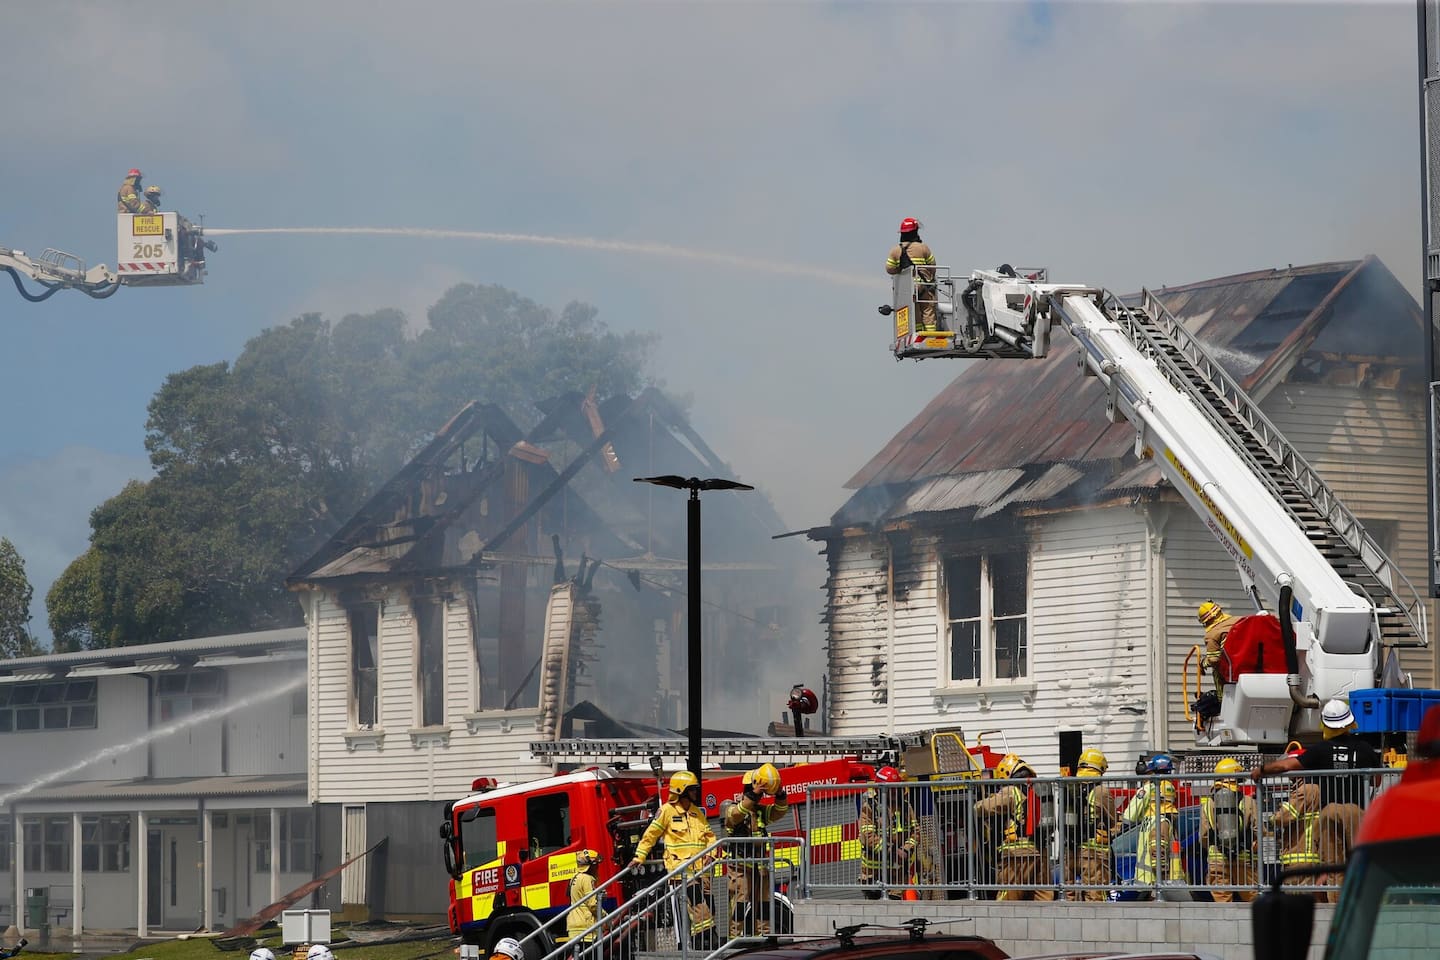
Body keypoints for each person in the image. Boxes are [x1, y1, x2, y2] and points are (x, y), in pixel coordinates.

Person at [1251, 698, 1381, 901]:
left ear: (1326, 725)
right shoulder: (1365, 749)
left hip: (1329, 813)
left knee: (1334, 867)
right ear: (1349, 723)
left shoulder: (1319, 750)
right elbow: (1377, 780)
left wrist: (1262, 770)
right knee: (1360, 864)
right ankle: (1361, 906)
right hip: (1358, 814)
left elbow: (1287, 766)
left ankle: (1335, 914)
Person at [630, 770, 718, 947]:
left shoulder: (696, 812)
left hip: (703, 870)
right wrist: (639, 857)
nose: (695, 793)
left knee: (709, 906)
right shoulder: (666, 812)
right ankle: (707, 943)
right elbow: (650, 836)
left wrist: (711, 854)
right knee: (699, 906)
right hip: (682, 870)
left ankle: (702, 942)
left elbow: (710, 836)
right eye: (692, 789)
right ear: (682, 790)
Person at [974, 753, 1055, 901]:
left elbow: (985, 807)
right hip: (1041, 853)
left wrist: (975, 803)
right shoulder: (1037, 789)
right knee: (1043, 898)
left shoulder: (1011, 790)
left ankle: (1004, 925)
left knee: (1008, 899)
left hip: (1017, 857)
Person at [723, 762, 789, 936]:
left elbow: (779, 811)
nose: (760, 796)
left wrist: (781, 794)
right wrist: (755, 793)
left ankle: (763, 936)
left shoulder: (759, 812)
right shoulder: (731, 809)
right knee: (740, 903)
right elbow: (736, 815)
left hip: (759, 867)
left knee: (764, 904)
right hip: (740, 867)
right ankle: (734, 939)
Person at [1199, 757, 1258, 902]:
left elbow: (1204, 836)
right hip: (1243, 860)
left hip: (1217, 861)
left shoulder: (1207, 804)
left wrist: (1214, 848)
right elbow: (1257, 830)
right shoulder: (1249, 801)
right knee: (1252, 901)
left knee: (1222, 903)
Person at [857, 765, 917, 899]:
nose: (895, 792)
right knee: (875, 910)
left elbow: (915, 832)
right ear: (880, 789)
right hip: (874, 873)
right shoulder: (870, 808)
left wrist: (906, 850)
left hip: (898, 872)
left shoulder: (906, 807)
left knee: (895, 906)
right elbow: (868, 837)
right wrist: (892, 851)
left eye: (896, 787)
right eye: (891, 788)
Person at [1065, 748, 1117, 902]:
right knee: (1095, 896)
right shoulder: (1101, 791)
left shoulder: (1069, 786)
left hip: (1071, 850)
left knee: (1070, 896)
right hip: (1094, 852)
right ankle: (1095, 926)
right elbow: (1112, 820)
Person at [1133, 780, 1187, 896]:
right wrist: (1164, 878)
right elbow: (1157, 853)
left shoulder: (1149, 819)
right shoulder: (1162, 822)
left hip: (1148, 881)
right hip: (1158, 884)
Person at [885, 217, 939, 332]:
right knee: (928, 310)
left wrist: (899, 270)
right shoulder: (923, 248)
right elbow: (933, 266)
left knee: (915, 313)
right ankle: (930, 335)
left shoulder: (895, 251)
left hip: (907, 288)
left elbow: (889, 269)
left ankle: (918, 333)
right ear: (915, 232)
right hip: (924, 286)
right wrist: (929, 279)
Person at [567, 848, 604, 944]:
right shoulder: (587, 879)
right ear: (591, 866)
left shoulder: (574, 878)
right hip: (586, 929)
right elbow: (592, 904)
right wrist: (606, 917)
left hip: (573, 928)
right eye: (596, 865)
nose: (598, 868)